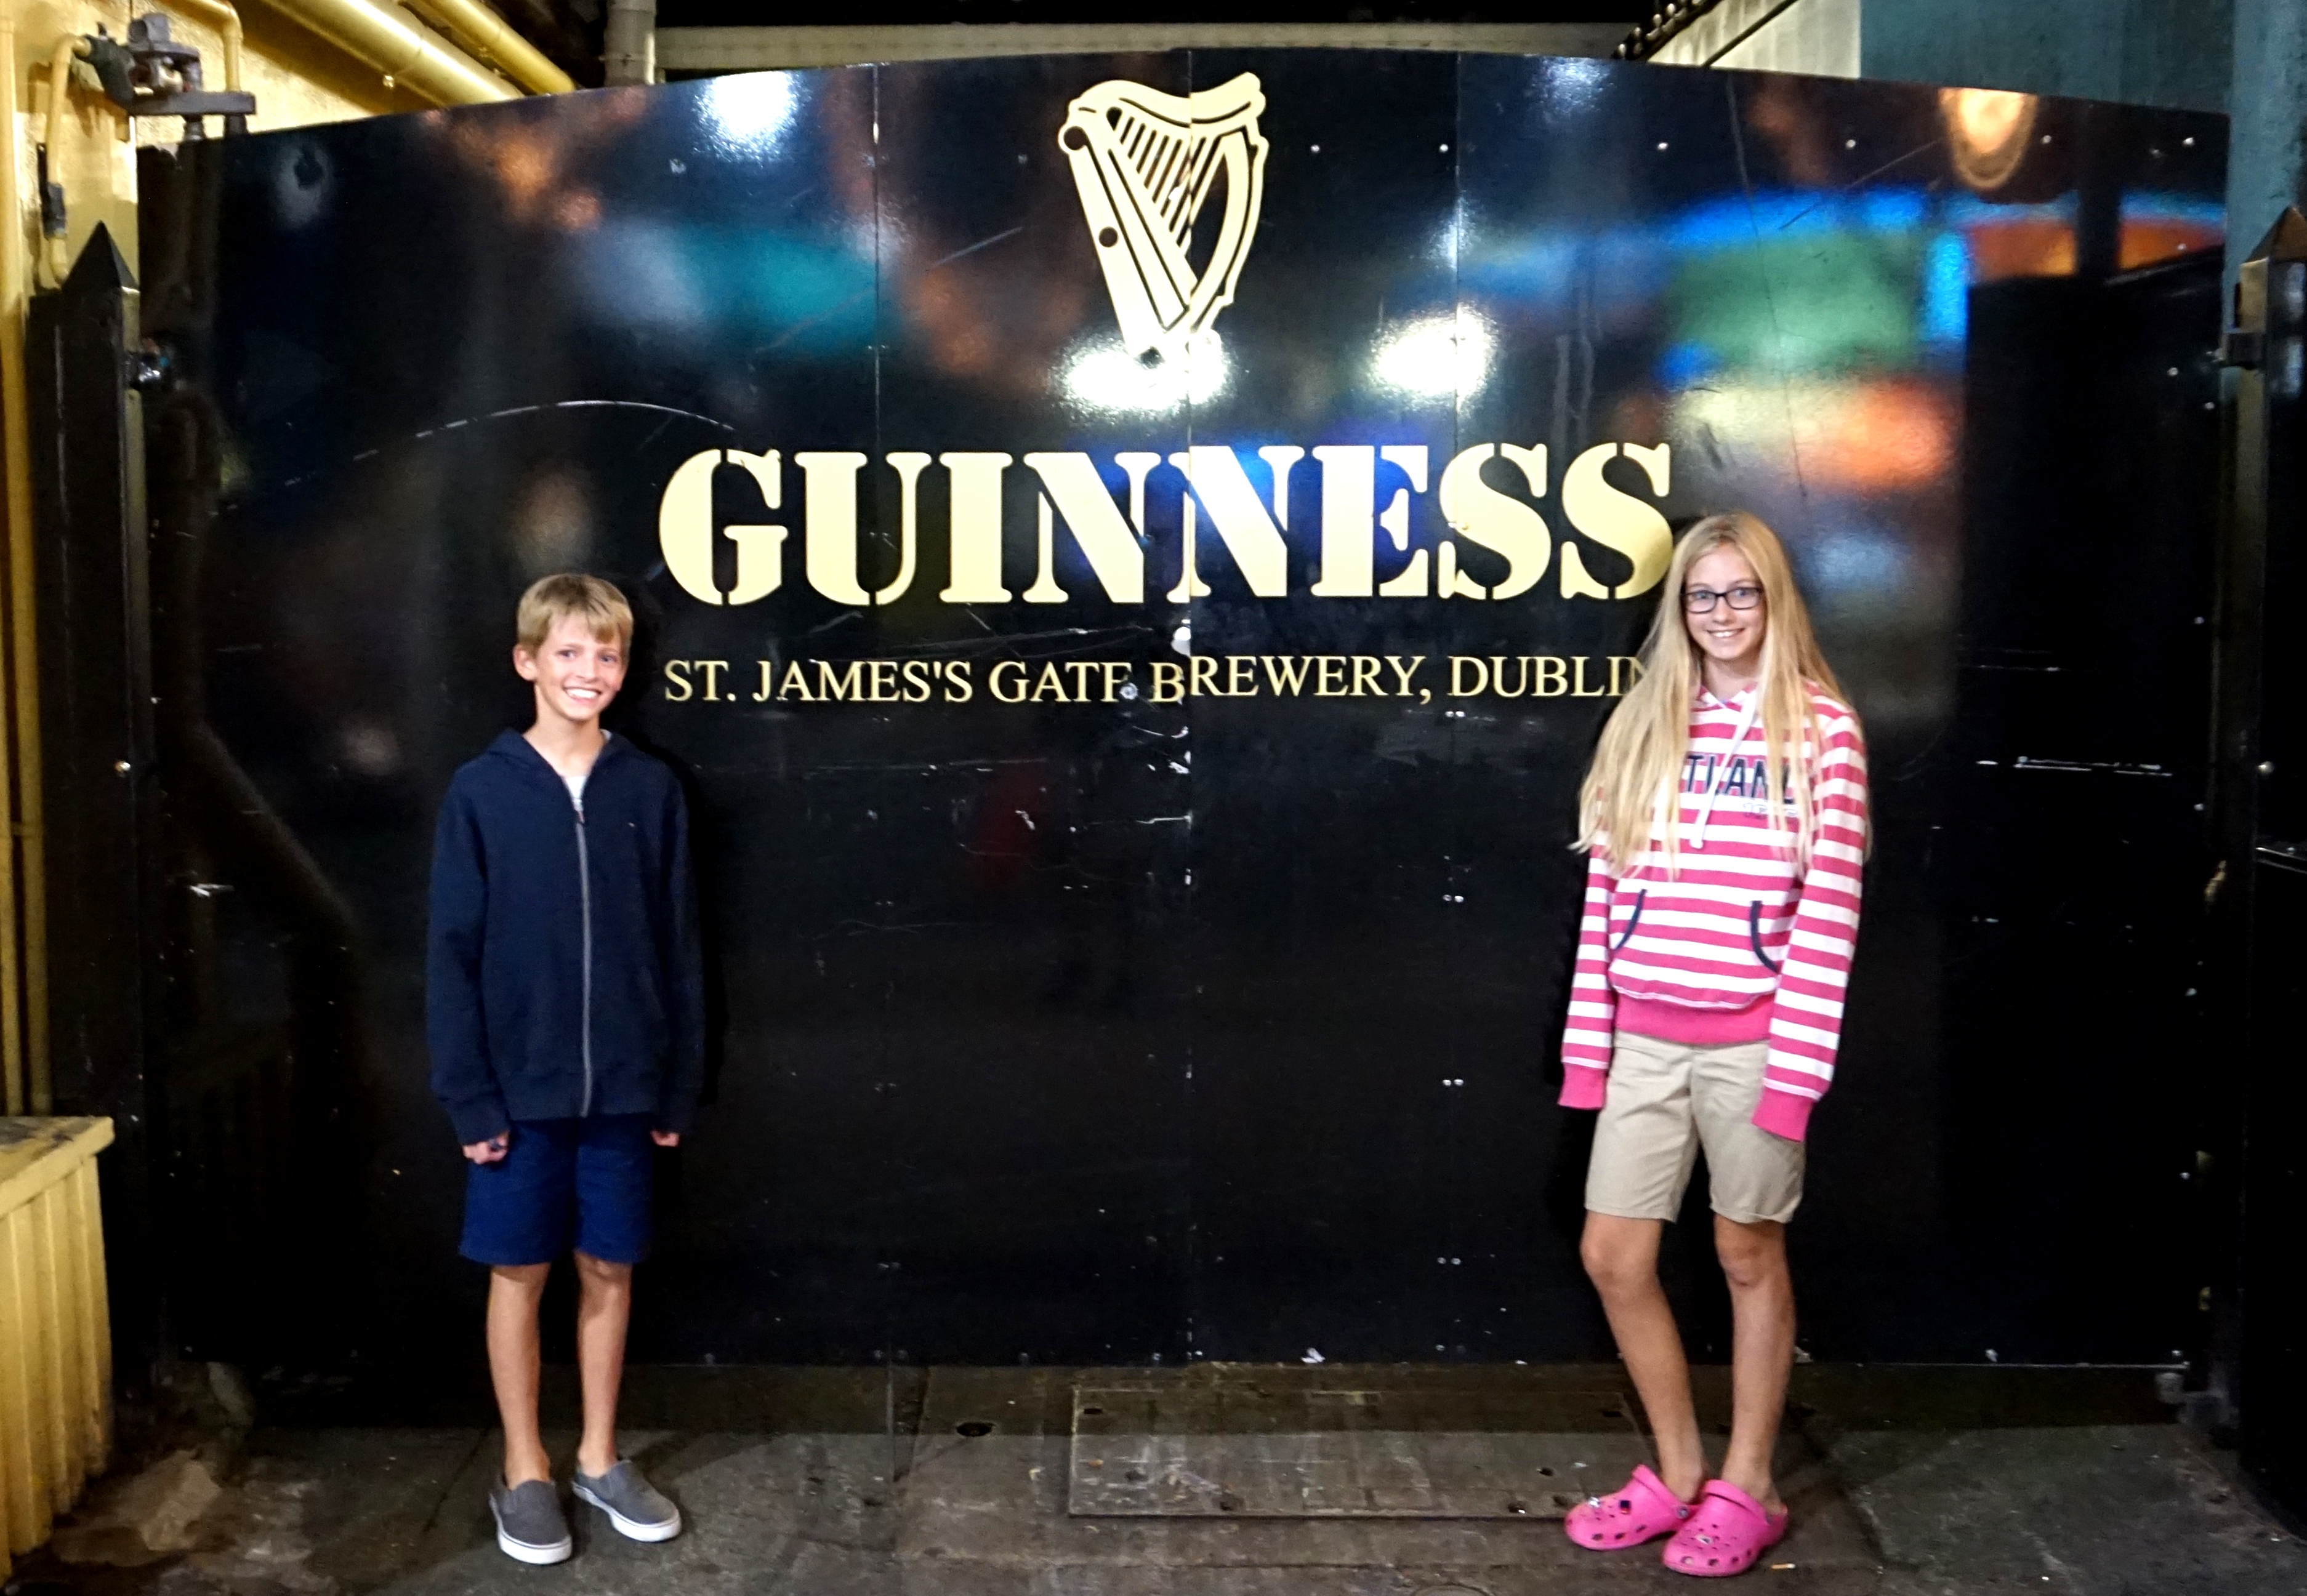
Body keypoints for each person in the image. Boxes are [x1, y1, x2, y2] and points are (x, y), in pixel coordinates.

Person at [1555, 513, 1867, 1578]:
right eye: (1703, 594)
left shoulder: (1823, 731)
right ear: (1679, 609)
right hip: (1644, 1038)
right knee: (1614, 1254)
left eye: (1742, 592)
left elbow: (1829, 919)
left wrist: (1793, 1080)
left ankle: (1753, 1484)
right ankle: (1681, 1471)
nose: (1723, 612)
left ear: (1773, 600)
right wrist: (1589, 1053)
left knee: (1746, 1253)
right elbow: (1603, 904)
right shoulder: (1644, 721)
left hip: (1757, 1044)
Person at [427, 573, 704, 1565]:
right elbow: (451, 954)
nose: (590, 670)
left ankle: (597, 1454)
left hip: (625, 1090)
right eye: (570, 652)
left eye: (607, 654)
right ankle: (525, 1466)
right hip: (517, 1094)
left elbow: (680, 945)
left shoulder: (649, 788)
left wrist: (678, 1080)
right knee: (519, 1270)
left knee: (608, 1266)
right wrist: (470, 1095)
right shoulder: (483, 791)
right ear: (528, 661)